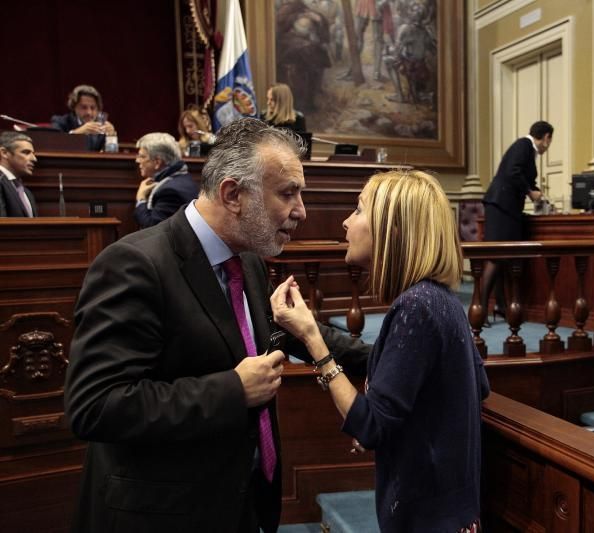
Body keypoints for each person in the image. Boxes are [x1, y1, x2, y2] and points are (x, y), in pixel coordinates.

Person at [64, 118, 370, 533]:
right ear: (233, 194)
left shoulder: (246, 259)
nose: (301, 211)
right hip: (164, 515)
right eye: (288, 194)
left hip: (240, 502)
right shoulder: (133, 266)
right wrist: (231, 389)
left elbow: (259, 333)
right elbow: (95, 405)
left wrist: (380, 355)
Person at [271, 170, 490, 531]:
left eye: (358, 211)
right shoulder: (440, 299)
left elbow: (370, 425)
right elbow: (475, 384)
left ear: (394, 231)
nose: (345, 222)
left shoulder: (416, 307)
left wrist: (313, 340)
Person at [480, 120, 554, 322]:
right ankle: (480, 308)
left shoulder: (526, 149)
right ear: (546, 137)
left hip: (506, 207)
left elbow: (522, 176)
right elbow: (513, 172)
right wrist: (531, 192)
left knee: (503, 258)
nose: (548, 145)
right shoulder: (524, 145)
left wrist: (535, 190)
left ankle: (501, 305)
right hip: (501, 206)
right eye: (550, 140)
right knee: (496, 257)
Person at [133, 132, 199, 228]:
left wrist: (141, 199)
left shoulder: (170, 192)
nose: (137, 160)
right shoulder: (183, 177)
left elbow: (152, 229)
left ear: (157, 162)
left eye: (142, 156)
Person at [50, 85, 116, 152]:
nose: (89, 112)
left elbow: (110, 154)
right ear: (74, 107)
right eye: (84, 107)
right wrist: (78, 132)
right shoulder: (60, 121)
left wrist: (111, 137)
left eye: (93, 108)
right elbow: (54, 144)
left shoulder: (101, 126)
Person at [0, 132, 37, 217]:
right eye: (26, 152)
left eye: (33, 153)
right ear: (4, 153)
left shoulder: (26, 192)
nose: (34, 159)